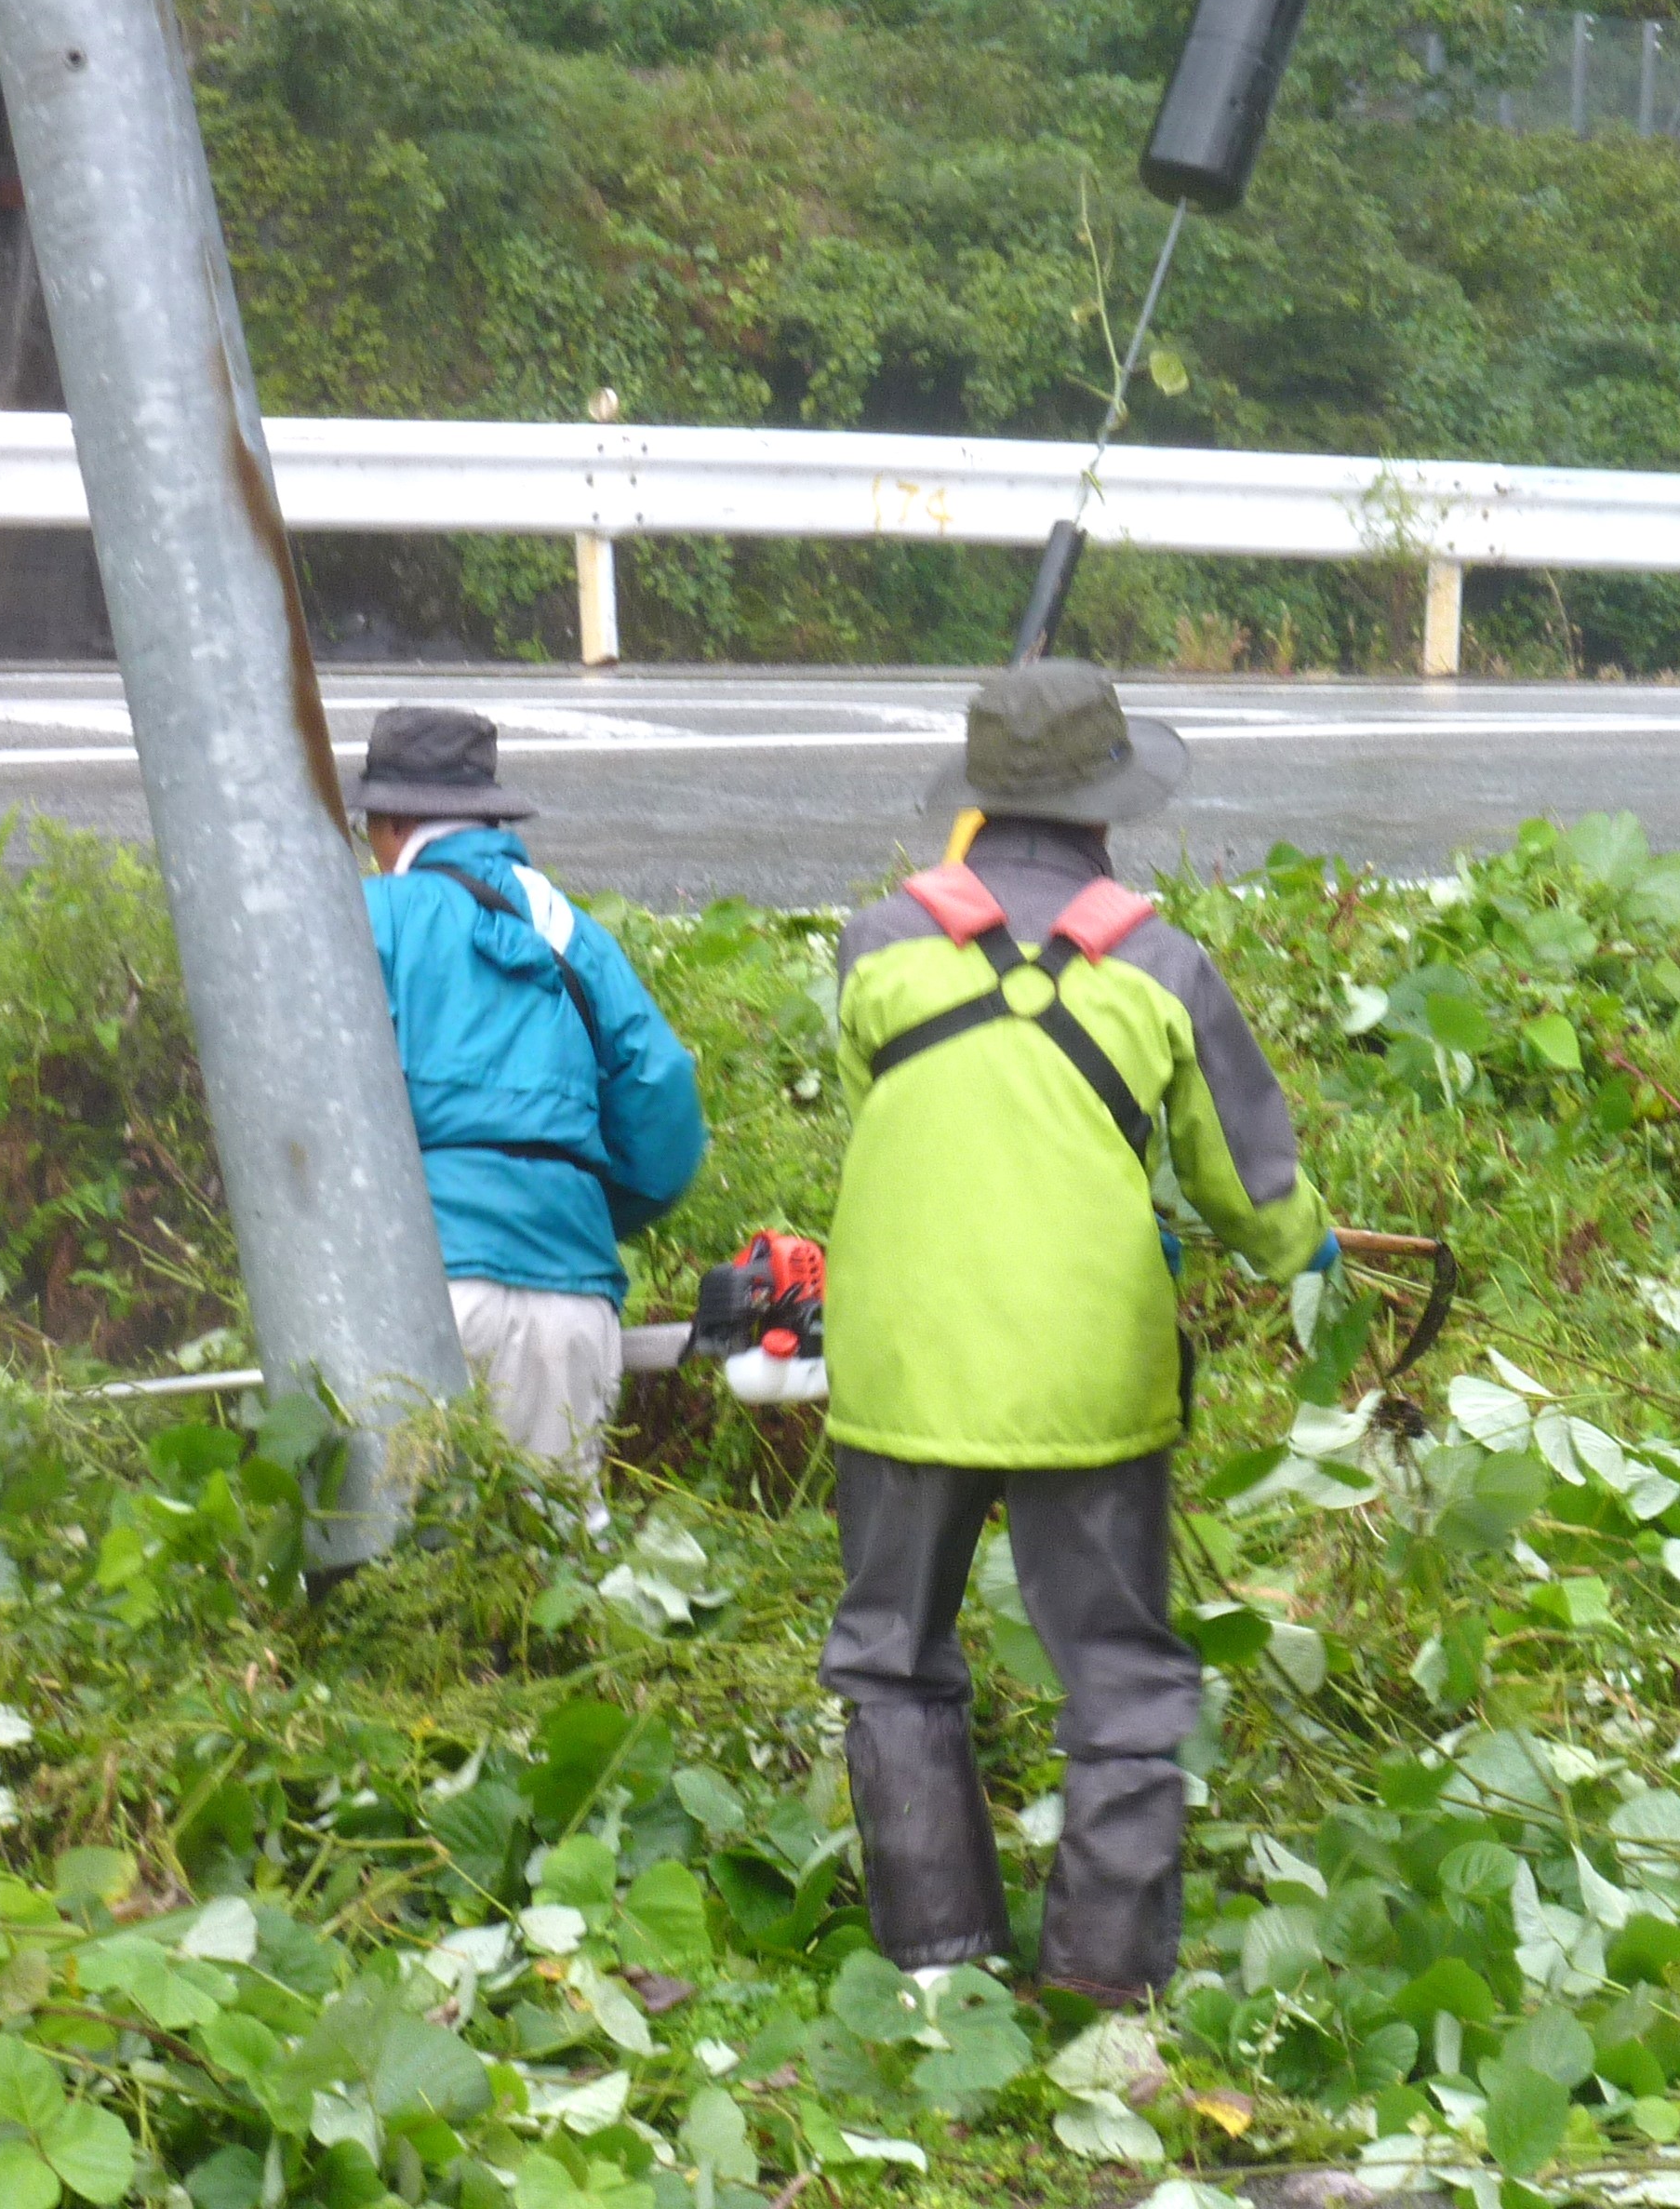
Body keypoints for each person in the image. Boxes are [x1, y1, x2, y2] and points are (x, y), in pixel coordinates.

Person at [820, 660, 1333, 2004]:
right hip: (1090, 1379)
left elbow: (887, 1096)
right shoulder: (1161, 964)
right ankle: (1107, 1981)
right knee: (1117, 1670)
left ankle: (937, 1963)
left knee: (892, 1653)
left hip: (903, 1362)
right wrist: (1305, 1250)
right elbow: (1249, 1184)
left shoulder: (877, 943)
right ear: (1113, 808)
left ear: (978, 806)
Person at [352, 705, 708, 1488]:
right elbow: (665, 1106)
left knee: (398, 1571)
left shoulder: (368, 919)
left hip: (425, 1284)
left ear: (391, 821)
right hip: (572, 1298)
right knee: (548, 1568)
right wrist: (571, 1203)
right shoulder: (569, 927)